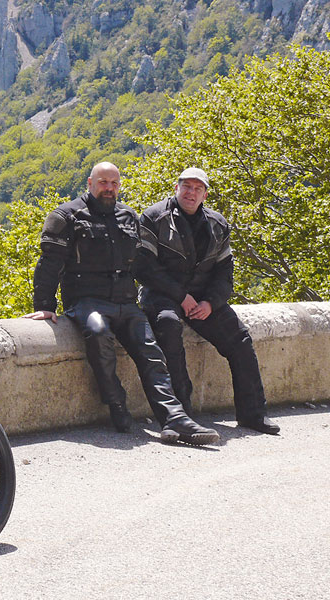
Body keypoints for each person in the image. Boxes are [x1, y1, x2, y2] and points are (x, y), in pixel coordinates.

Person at [24, 161, 218, 444]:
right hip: (86, 302)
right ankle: (116, 403)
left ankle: (174, 419)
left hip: (126, 303)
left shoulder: (129, 216)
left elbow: (142, 264)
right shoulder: (66, 216)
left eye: (114, 183)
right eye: (103, 182)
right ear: (90, 183)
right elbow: (49, 264)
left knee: (152, 354)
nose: (109, 188)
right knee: (98, 334)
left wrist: (175, 294)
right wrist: (44, 306)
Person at [135, 167, 280, 434]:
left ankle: (253, 415)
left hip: (203, 298)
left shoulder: (217, 224)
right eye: (186, 187)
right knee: (168, 326)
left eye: (197, 188)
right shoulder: (153, 217)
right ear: (176, 188)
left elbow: (225, 273)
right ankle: (182, 415)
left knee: (240, 338)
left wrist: (211, 303)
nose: (191, 193)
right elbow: (144, 269)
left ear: (205, 194)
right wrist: (181, 296)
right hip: (161, 295)